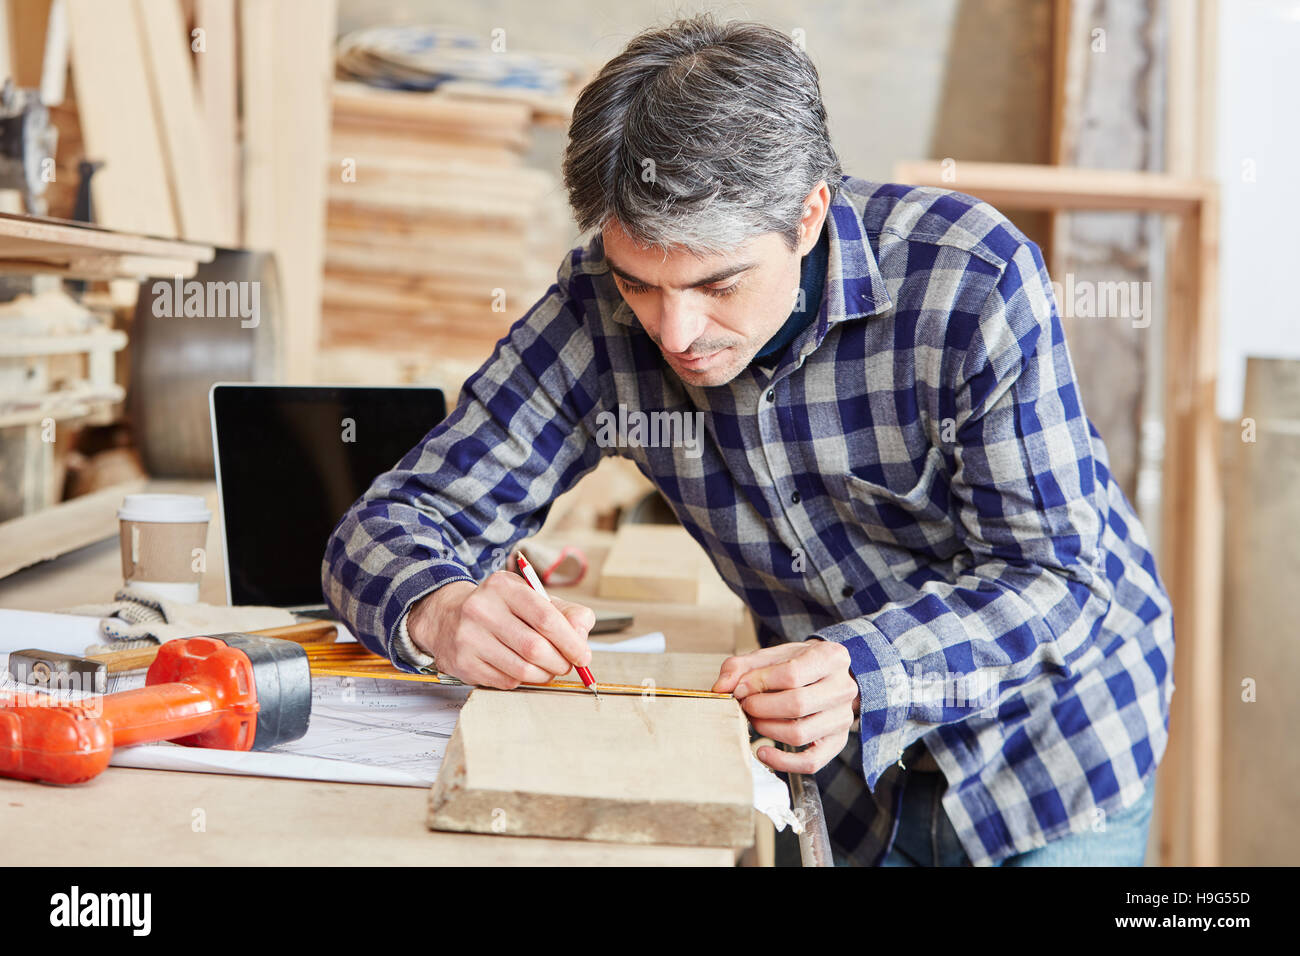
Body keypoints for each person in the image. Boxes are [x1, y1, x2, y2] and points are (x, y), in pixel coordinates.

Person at [322, 14, 1173, 867]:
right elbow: (386, 525)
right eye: (639, 283)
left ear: (808, 217)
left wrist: (860, 671)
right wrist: (438, 609)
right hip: (841, 782)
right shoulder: (596, 313)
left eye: (717, 283)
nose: (676, 331)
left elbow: (1053, 575)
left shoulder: (972, 281)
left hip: (1055, 749)